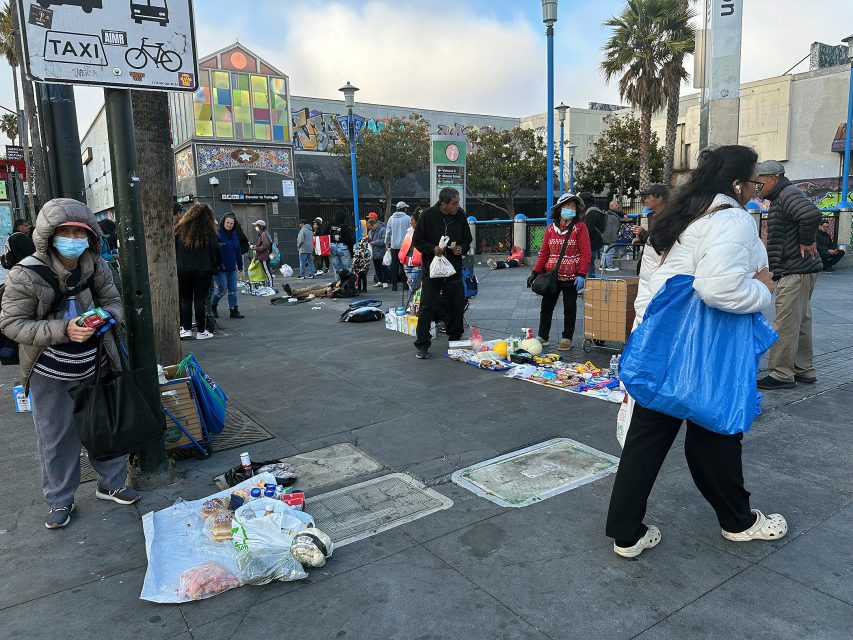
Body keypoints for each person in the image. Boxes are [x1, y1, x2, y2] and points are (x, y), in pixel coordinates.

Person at [606, 145, 786, 559]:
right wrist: (764, 287)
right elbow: (718, 288)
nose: (755, 191)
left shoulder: (676, 215)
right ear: (738, 182)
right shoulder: (732, 220)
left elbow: (649, 283)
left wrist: (649, 330)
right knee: (717, 430)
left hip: (663, 339)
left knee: (647, 437)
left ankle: (626, 533)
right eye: (754, 183)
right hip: (711, 344)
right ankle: (738, 522)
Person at [0, 198, 140, 529]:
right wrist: (64, 329)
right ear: (49, 234)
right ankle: (60, 499)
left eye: (81, 232)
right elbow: (11, 324)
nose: (74, 238)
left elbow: (114, 302)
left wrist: (107, 316)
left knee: (106, 426)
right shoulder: (25, 273)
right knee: (56, 436)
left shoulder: (97, 265)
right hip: (50, 370)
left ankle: (112, 483)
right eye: (67, 231)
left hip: (95, 363)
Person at [755, 160, 823, 390]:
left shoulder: (786, 194)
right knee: (800, 321)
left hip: (795, 269)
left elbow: (811, 215)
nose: (757, 188)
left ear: (772, 179)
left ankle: (782, 373)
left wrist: (806, 240)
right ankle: (804, 369)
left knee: (785, 321)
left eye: (759, 183)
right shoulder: (783, 195)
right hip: (800, 269)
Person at [412, 188, 472, 359]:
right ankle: (422, 344)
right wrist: (432, 249)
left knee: (456, 304)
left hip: (453, 268)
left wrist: (462, 247)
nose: (457, 206)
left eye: (458, 202)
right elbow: (418, 241)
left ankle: (455, 339)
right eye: (454, 203)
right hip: (432, 269)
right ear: (443, 204)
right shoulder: (428, 216)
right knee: (427, 306)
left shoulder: (460, 215)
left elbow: (467, 239)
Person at [526, 193, 591, 351]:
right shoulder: (550, 229)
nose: (571, 209)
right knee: (546, 307)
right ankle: (543, 336)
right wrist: (535, 272)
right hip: (551, 276)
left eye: (574, 206)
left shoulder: (580, 228)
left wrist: (582, 274)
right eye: (568, 206)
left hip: (572, 276)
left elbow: (586, 253)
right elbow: (544, 253)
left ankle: (567, 338)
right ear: (560, 208)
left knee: (570, 308)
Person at [175, 203, 220, 340]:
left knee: (185, 299)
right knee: (200, 300)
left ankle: (186, 329)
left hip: (183, 269)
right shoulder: (209, 231)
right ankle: (201, 331)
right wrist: (216, 266)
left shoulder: (181, 229)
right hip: (203, 269)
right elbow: (216, 249)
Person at [211, 213, 244, 319]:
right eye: (227, 222)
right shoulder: (217, 234)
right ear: (223, 222)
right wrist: (216, 265)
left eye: (231, 223)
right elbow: (213, 251)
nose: (229, 225)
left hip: (231, 268)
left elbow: (238, 251)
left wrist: (240, 265)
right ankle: (213, 306)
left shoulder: (234, 235)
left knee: (233, 290)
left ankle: (233, 310)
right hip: (220, 268)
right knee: (222, 289)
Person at [577, 193, 606, 277]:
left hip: (591, 242)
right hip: (594, 241)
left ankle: (591, 282)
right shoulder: (595, 209)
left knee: (588, 263)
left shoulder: (591, 211)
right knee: (589, 263)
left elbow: (586, 229)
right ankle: (590, 281)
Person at [281, 268, 358, 299]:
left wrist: (333, 294)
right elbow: (340, 282)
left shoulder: (348, 286)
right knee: (315, 286)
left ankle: (293, 294)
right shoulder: (349, 275)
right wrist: (331, 286)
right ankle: (293, 292)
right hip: (335, 287)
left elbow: (347, 294)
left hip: (336, 291)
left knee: (314, 292)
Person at [386, 201, 411, 291]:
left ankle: (394, 285)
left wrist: (387, 243)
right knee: (404, 264)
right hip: (405, 246)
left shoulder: (391, 219)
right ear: (404, 209)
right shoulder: (408, 218)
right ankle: (405, 284)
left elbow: (388, 233)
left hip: (394, 246)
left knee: (394, 265)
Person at [399, 208, 423, 301]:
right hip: (407, 260)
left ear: (417, 221)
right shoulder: (409, 231)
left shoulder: (422, 233)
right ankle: (413, 306)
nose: (410, 222)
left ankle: (412, 306)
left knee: (412, 284)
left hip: (417, 261)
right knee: (411, 285)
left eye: (412, 220)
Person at [251, 219, 274, 288]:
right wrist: (256, 246)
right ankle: (269, 283)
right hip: (265, 255)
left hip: (264, 256)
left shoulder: (264, 234)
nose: (256, 227)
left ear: (261, 226)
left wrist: (256, 248)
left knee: (267, 270)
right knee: (266, 269)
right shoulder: (265, 233)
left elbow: (265, 245)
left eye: (256, 226)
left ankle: (270, 284)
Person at [368, 217, 389, 288]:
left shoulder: (382, 230)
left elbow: (384, 240)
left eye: (370, 227)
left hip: (381, 252)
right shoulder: (370, 232)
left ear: (374, 225)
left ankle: (385, 281)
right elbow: (369, 239)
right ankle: (380, 281)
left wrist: (374, 242)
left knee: (383, 268)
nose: (370, 229)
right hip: (374, 253)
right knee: (377, 268)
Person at [352, 228, 372, 293]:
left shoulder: (358, 251)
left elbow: (355, 260)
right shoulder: (367, 251)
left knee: (359, 277)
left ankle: (359, 288)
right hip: (365, 267)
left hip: (358, 267)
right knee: (364, 277)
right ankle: (365, 288)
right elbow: (368, 259)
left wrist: (353, 267)